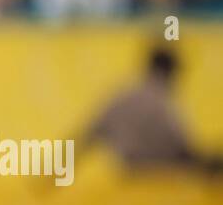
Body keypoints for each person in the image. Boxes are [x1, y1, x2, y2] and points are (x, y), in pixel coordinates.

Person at [82, 47, 221, 173]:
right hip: (161, 166)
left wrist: (64, 172)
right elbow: (181, 144)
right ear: (168, 72)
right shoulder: (161, 99)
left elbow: (89, 135)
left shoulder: (122, 96)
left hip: (129, 166)